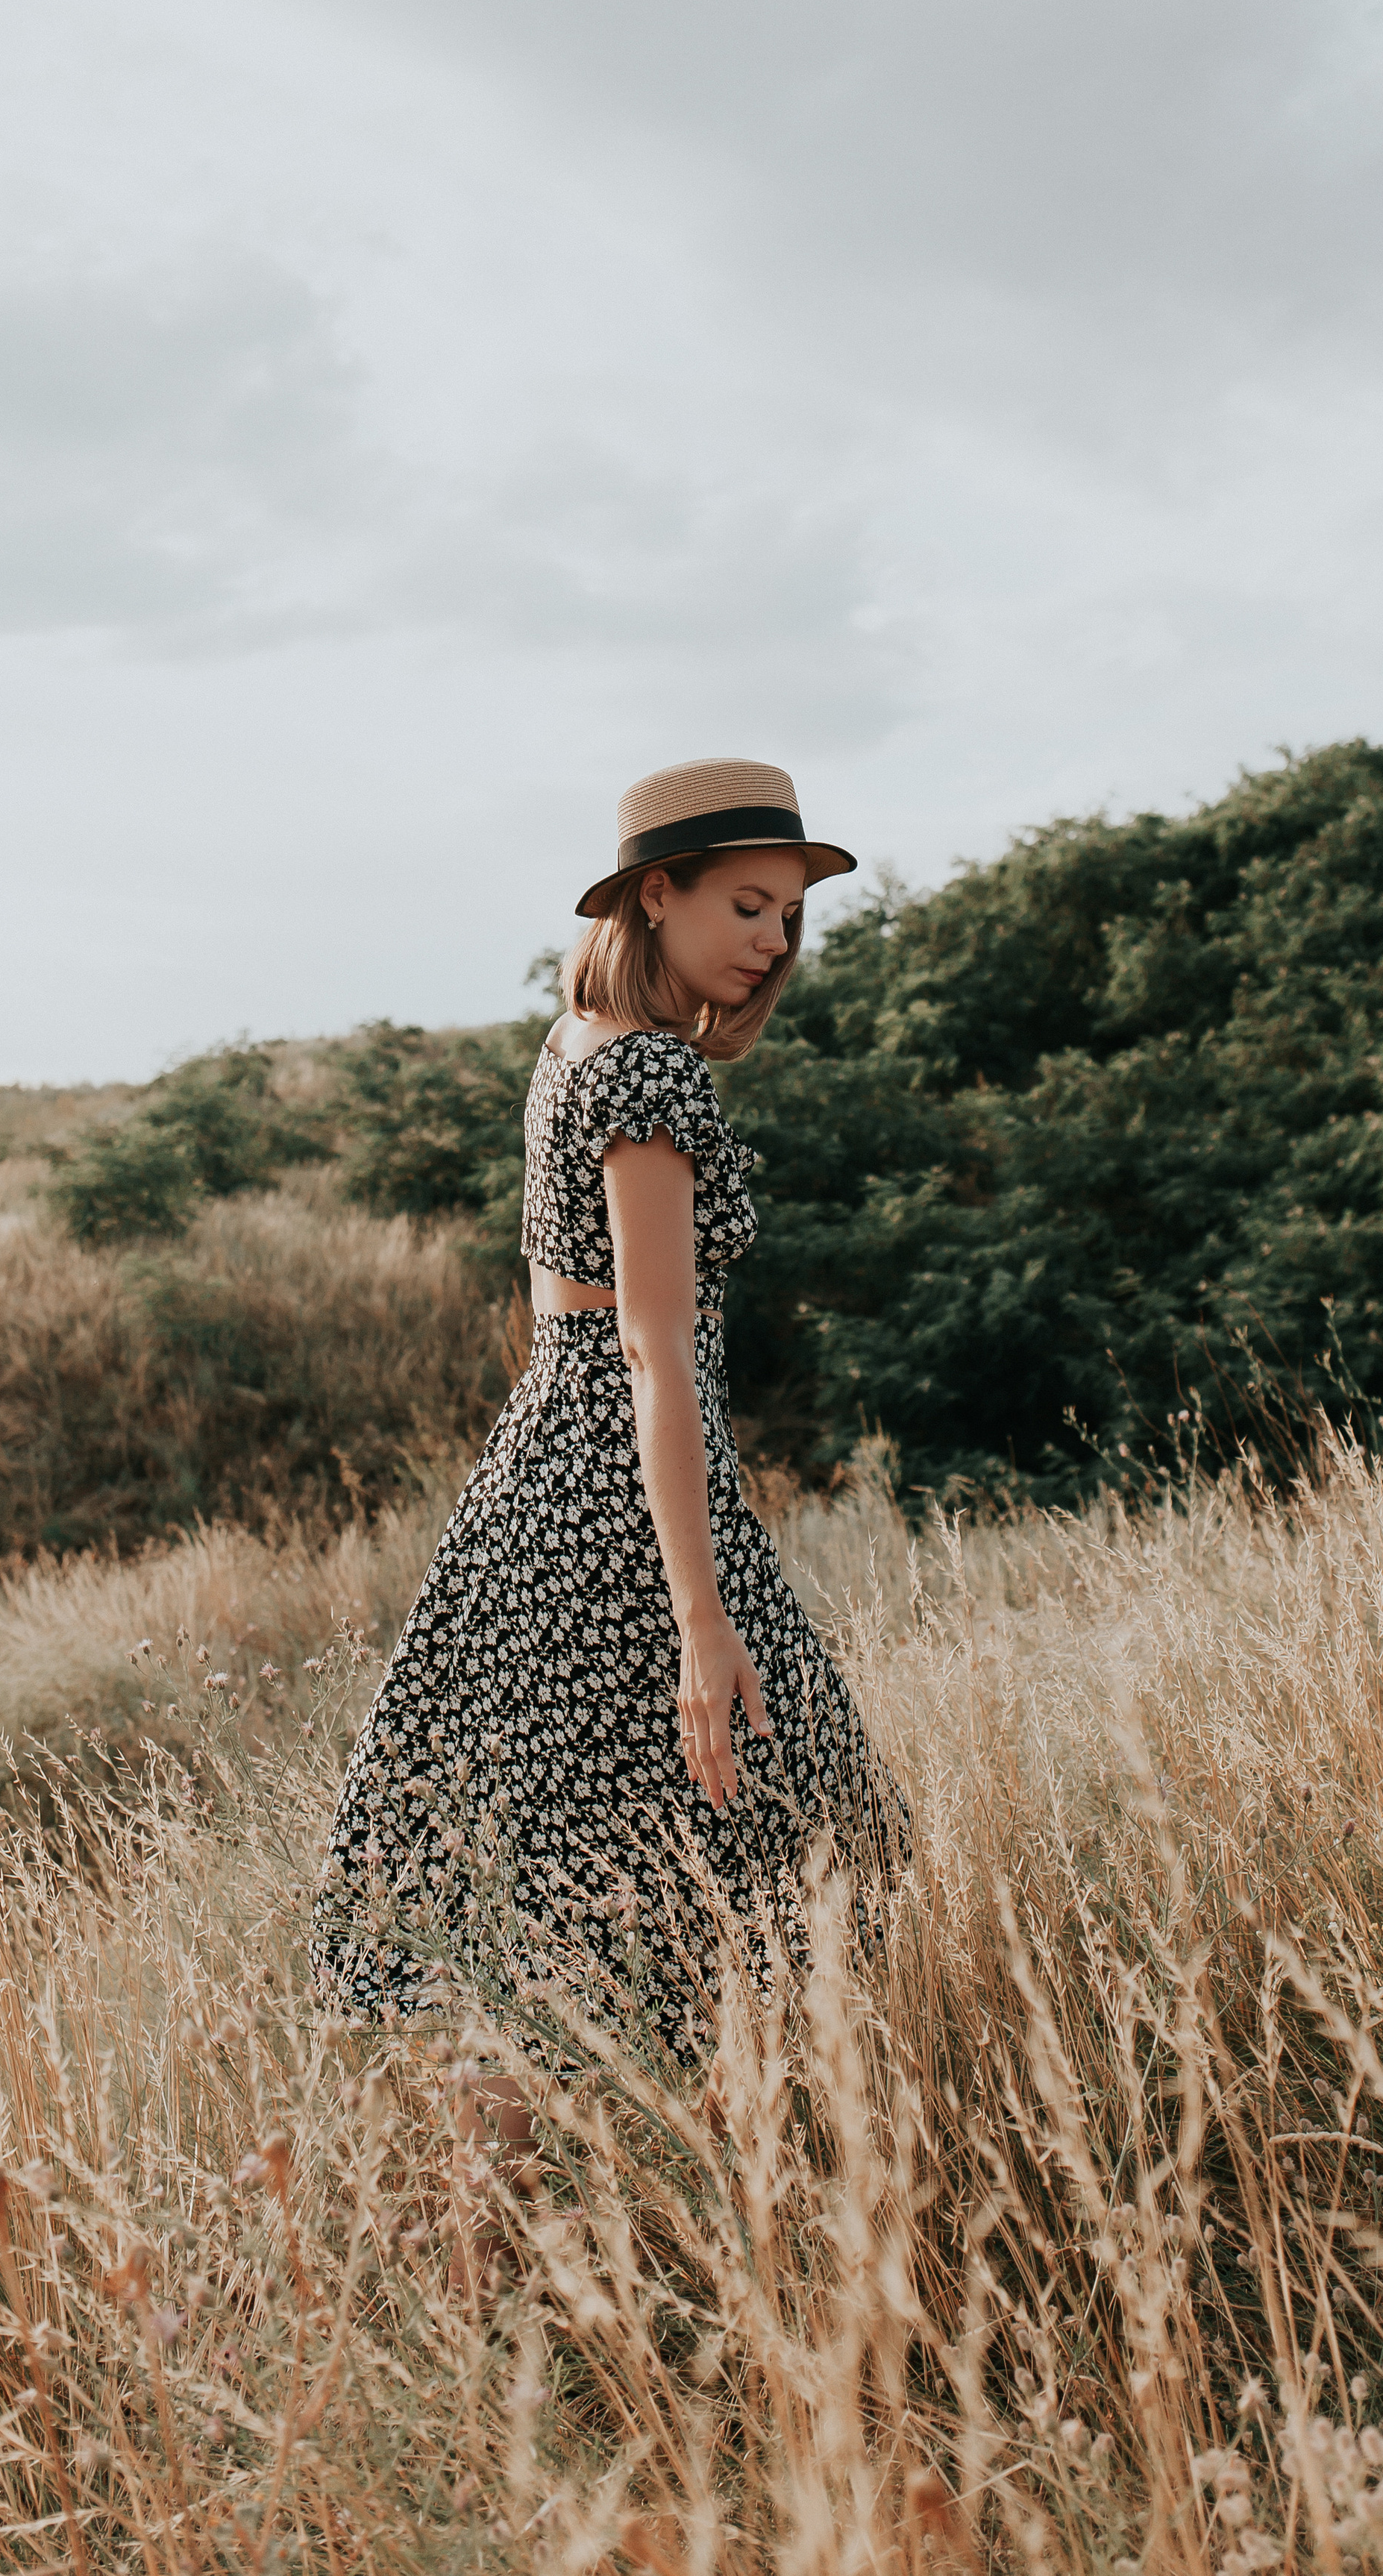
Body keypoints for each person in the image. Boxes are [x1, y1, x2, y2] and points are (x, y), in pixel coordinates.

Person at [310, 756, 907, 2177]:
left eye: (789, 914)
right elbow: (656, 1354)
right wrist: (703, 1620)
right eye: (748, 904)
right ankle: (723, 2185)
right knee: (808, 1833)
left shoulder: (575, 1039)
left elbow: (568, 1323)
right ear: (658, 894)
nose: (775, 939)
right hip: (628, 1497)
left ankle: (531, 2214)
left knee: (563, 1876)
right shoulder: (649, 1070)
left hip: (550, 1479)